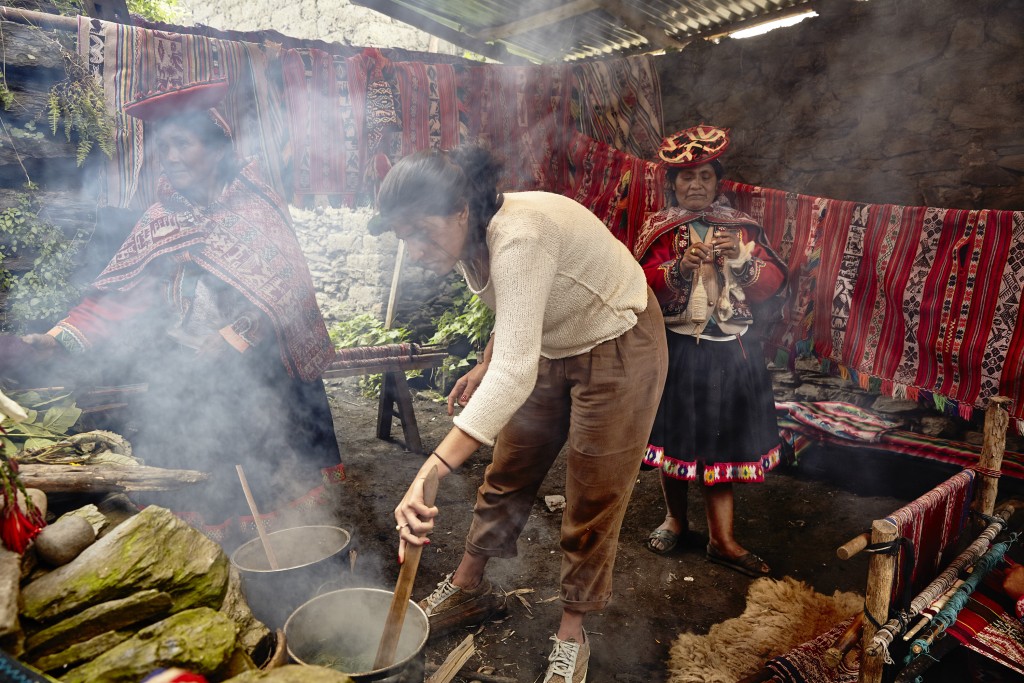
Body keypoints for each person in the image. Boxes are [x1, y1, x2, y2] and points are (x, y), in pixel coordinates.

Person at [369, 145, 667, 683]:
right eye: (401, 236)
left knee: (593, 491)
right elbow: (519, 307)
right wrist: (488, 359)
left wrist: (429, 470)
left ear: (461, 208)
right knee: (508, 470)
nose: (412, 250)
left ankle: (572, 631)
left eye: (419, 230)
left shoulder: (521, 234)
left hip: (619, 340)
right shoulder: (468, 240)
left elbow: (515, 368)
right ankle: (467, 588)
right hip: (551, 347)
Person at [19, 79, 343, 548]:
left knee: (276, 496)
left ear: (215, 148)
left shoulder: (254, 204)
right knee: (200, 496)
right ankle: (213, 571)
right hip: (189, 379)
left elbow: (289, 290)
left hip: (265, 382)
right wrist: (59, 336)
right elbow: (119, 295)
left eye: (180, 144)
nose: (167, 156)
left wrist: (238, 333)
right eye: (161, 146)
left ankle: (292, 572)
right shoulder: (161, 218)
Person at [633, 124, 787, 577]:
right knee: (676, 440)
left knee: (721, 443)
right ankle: (675, 520)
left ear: (718, 182)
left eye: (705, 177)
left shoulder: (741, 230)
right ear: (672, 184)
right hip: (679, 351)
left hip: (731, 353)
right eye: (686, 178)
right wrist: (678, 268)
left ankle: (722, 539)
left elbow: (772, 287)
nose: (696, 185)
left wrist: (740, 259)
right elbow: (638, 289)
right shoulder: (658, 230)